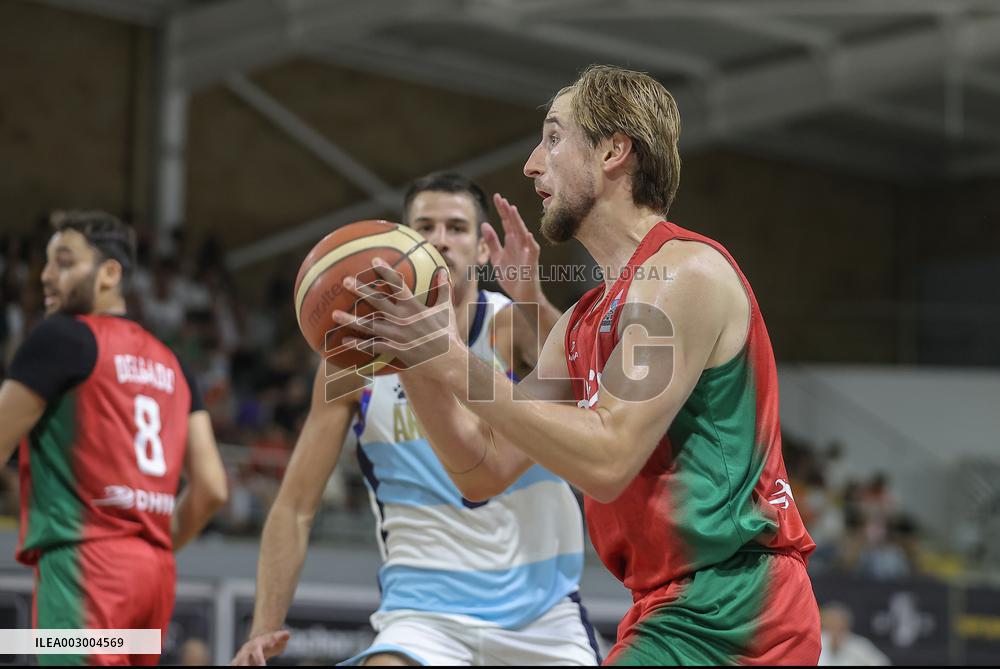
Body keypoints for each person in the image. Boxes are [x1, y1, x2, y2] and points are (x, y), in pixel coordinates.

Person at [339, 66, 822, 665]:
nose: (531, 164)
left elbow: (608, 456)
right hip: (670, 606)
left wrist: (447, 356)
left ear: (614, 150)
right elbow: (482, 471)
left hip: (737, 606)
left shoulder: (681, 273)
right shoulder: (580, 322)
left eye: (553, 137)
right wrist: (413, 354)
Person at [232, 173, 599, 666]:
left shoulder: (511, 325)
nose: (441, 239)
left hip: (540, 614)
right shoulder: (350, 365)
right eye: (424, 226)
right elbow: (294, 507)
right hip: (423, 616)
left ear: (482, 250)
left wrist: (533, 296)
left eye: (457, 227)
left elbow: (584, 377)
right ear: (401, 243)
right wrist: (264, 625)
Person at [0, 211, 228, 666]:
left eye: (63, 262)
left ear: (109, 273)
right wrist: (143, 544)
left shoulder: (61, 338)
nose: (46, 275)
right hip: (154, 575)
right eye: (46, 262)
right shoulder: (175, 363)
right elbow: (212, 490)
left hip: (88, 569)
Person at [818, 603, 891, 666]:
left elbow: (881, 663)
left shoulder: (859, 644)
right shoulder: (817, 641)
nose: (835, 625)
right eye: (831, 622)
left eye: (838, 622)